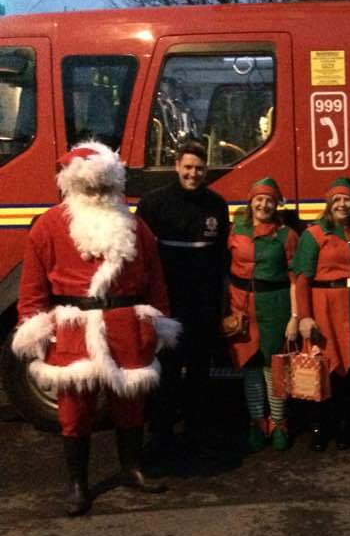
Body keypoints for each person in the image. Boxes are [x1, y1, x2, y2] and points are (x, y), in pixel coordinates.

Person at [11, 141, 180, 516]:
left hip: (127, 325)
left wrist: (159, 322)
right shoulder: (49, 225)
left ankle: (131, 469)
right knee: (74, 412)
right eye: (90, 185)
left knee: (131, 406)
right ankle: (78, 483)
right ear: (73, 184)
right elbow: (33, 288)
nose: (98, 192)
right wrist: (36, 329)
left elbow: (156, 280)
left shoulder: (135, 226)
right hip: (75, 328)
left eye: (104, 185)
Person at [136, 141, 229, 450]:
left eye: (199, 168)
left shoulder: (217, 205)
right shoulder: (153, 204)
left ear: (206, 170)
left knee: (200, 369)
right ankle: (161, 431)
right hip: (167, 303)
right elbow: (141, 256)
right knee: (167, 368)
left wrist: (221, 306)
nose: (193, 174)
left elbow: (221, 259)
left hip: (202, 303)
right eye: (188, 167)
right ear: (176, 166)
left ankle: (195, 429)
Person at [293, 177, 350, 450]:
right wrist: (304, 316)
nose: (342, 204)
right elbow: (302, 279)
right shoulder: (314, 234)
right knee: (322, 365)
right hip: (323, 305)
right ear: (329, 204)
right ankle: (319, 427)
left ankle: (344, 423)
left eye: (347, 199)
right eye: (337, 200)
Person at [226, 177, 299, 451]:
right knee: (251, 365)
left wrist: (295, 316)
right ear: (251, 201)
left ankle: (278, 422)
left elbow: (296, 280)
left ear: (276, 204)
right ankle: (257, 421)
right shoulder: (236, 229)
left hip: (275, 304)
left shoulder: (287, 235)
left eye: (270, 200)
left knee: (274, 366)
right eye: (259, 199)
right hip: (242, 305)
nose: (264, 204)